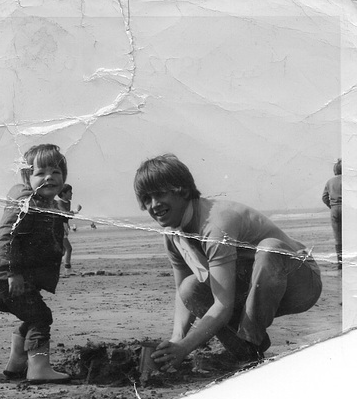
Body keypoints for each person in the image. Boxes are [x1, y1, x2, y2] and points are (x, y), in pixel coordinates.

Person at [133, 154, 322, 369]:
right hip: (254, 287)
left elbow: (223, 306)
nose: (154, 205)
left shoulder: (215, 225)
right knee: (189, 288)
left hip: (300, 282)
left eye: (159, 194)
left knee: (269, 248)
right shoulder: (172, 234)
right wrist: (177, 339)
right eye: (147, 199)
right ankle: (246, 352)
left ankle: (251, 338)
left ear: (182, 190)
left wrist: (186, 348)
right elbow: (182, 293)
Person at [0, 144, 70, 384]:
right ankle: (39, 368)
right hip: (4, 279)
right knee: (41, 317)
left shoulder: (44, 203)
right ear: (27, 178)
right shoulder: (26, 202)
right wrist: (13, 272)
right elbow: (5, 236)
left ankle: (16, 363)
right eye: (41, 173)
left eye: (56, 172)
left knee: (31, 315)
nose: (49, 177)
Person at [56, 184, 82, 277]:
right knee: (68, 248)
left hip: (65, 227)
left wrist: (75, 211)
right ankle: (67, 270)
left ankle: (56, 269)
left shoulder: (67, 202)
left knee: (62, 250)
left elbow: (69, 216)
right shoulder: (59, 202)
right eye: (70, 192)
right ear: (63, 193)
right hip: (59, 227)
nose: (72, 194)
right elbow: (65, 213)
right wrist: (76, 211)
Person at [322, 159, 342, 270]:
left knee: (338, 237)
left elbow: (324, 197)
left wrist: (332, 206)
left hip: (335, 209)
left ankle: (340, 262)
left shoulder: (330, 182)